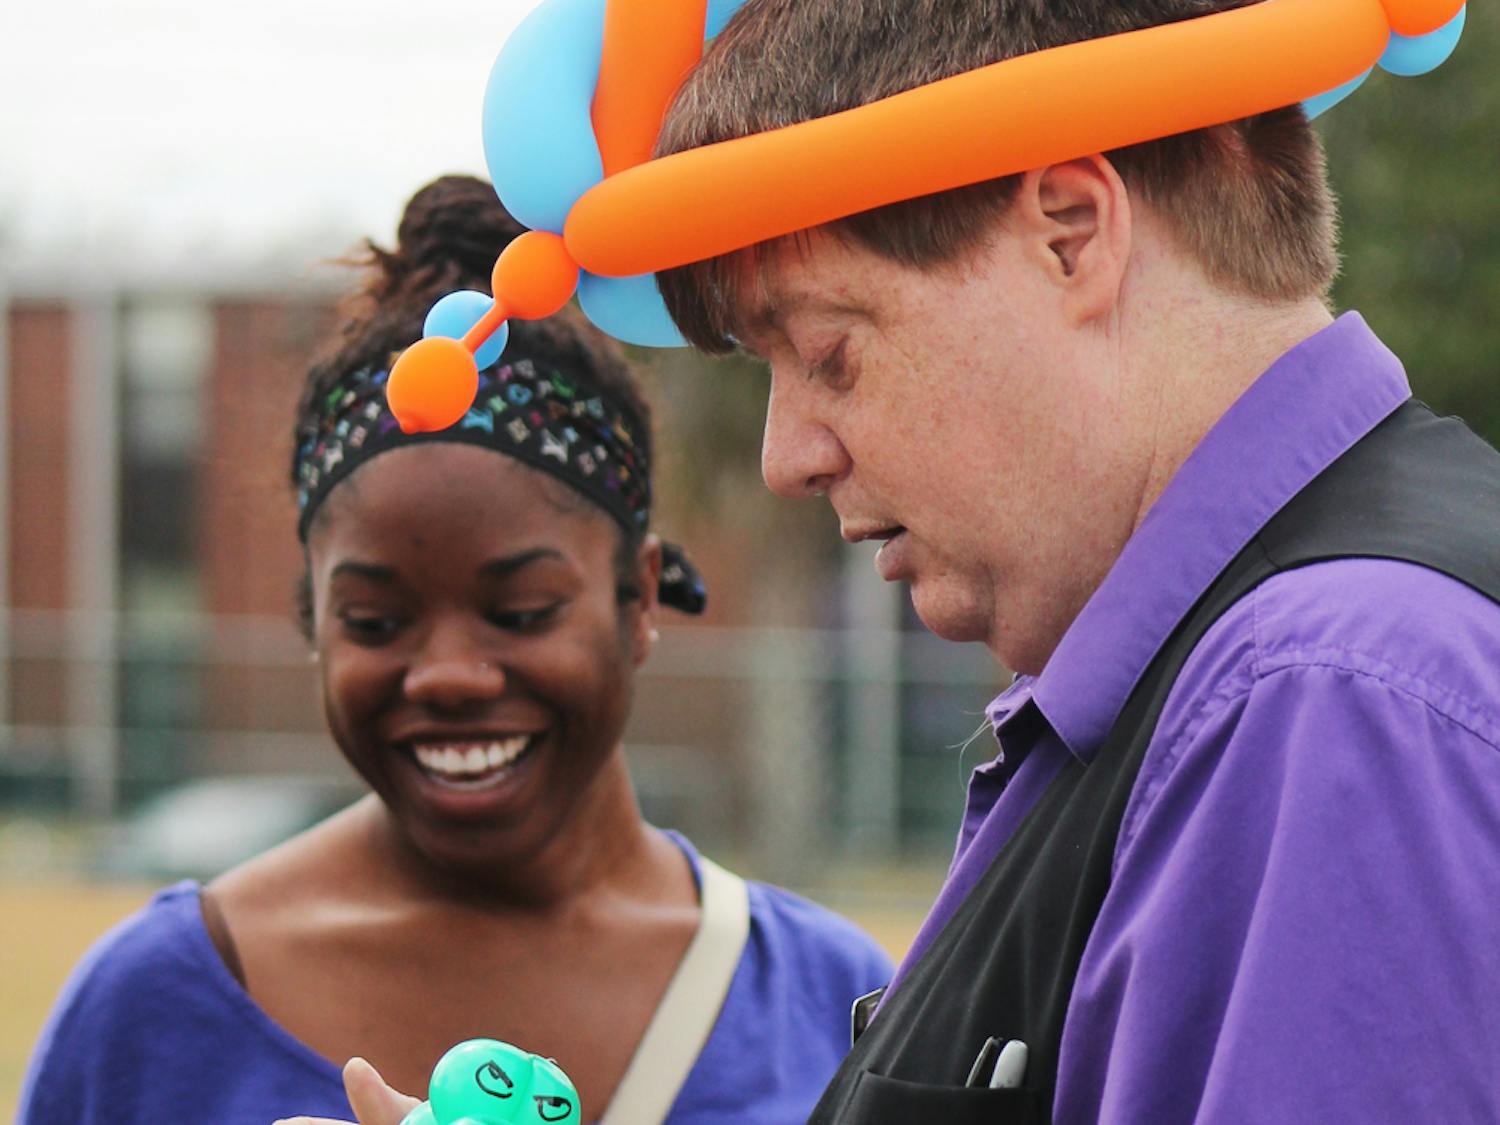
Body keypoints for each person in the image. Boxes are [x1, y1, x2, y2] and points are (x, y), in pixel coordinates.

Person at [645, 1, 1500, 1122]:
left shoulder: (1329, 703)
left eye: (827, 351)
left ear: (1073, 232)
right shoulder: (1280, 677)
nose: (785, 457)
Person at [16, 174, 893, 1125]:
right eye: (376, 621)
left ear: (638, 597)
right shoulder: (152, 1008)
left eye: (519, 610)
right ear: (311, 621)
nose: (449, 675)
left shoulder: (832, 999)